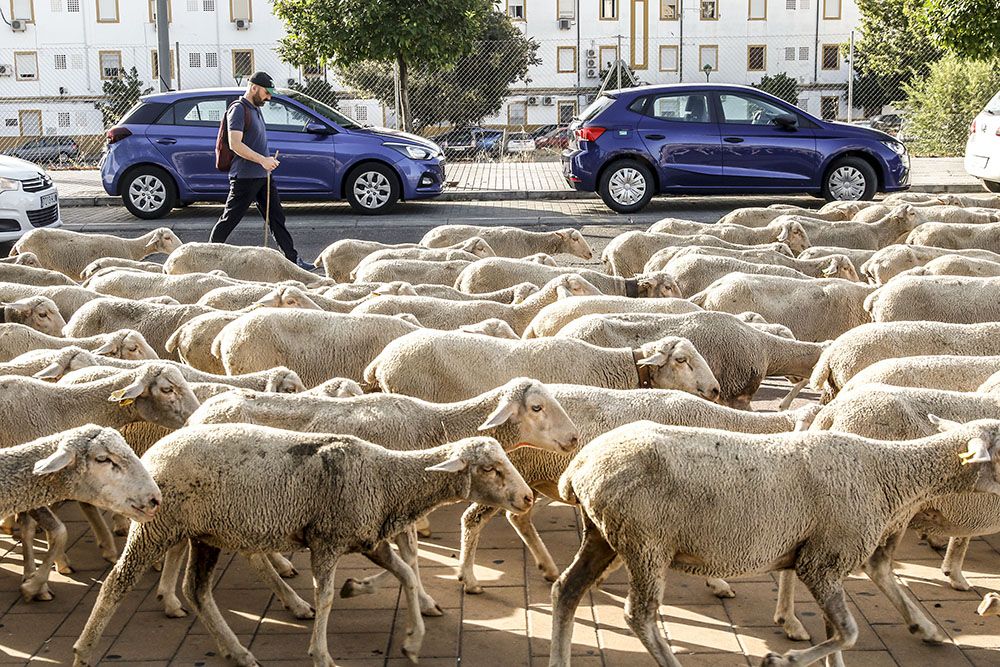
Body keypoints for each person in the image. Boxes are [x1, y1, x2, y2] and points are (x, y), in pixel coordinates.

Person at [210, 71, 314, 270]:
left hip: (262, 175)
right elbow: (235, 144)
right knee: (229, 219)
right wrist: (262, 160)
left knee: (276, 218)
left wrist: (267, 163)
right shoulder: (239, 110)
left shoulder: (256, 108)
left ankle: (292, 262)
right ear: (254, 87)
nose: (269, 97)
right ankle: (206, 257)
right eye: (266, 93)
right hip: (245, 177)